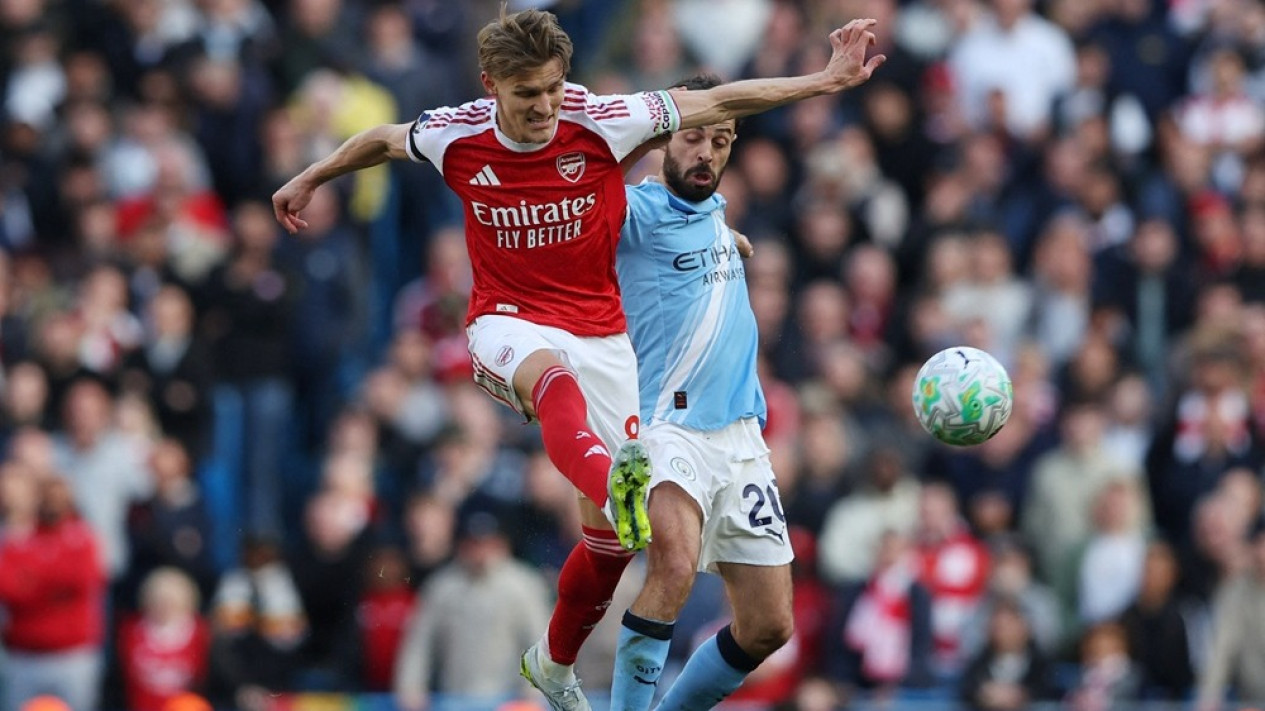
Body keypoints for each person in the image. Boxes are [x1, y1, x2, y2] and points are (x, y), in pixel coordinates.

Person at [271, 6, 884, 709]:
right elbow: (381, 138)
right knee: (555, 388)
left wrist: (825, 80)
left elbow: (716, 99)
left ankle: (553, 662)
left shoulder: (601, 118)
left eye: (553, 89)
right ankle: (615, 482)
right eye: (526, 93)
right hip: (507, 322)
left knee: (609, 547)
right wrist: (312, 175)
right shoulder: (456, 132)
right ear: (490, 86)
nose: (542, 107)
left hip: (602, 339)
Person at [606, 74, 796, 711]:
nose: (706, 153)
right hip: (669, 427)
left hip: (741, 440)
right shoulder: (632, 211)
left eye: (721, 140)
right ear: (664, 136)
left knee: (770, 625)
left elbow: (705, 240)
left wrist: (729, 239)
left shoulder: (715, 217)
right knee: (675, 566)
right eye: (693, 137)